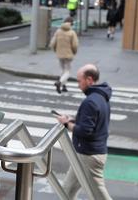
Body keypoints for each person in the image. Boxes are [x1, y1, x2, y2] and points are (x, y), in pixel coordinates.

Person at [56, 64, 113, 200]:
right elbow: (93, 121)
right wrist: (73, 119)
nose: (78, 85)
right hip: (87, 154)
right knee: (67, 191)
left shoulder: (90, 101)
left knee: (99, 195)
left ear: (89, 80)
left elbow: (86, 131)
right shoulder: (101, 97)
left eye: (79, 81)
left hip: (89, 156)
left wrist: (66, 124)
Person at [49, 16, 79, 94]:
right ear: (71, 23)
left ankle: (64, 86)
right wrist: (74, 52)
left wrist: (56, 50)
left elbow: (52, 43)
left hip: (60, 54)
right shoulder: (72, 32)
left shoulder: (58, 31)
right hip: (68, 55)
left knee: (62, 69)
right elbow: (75, 45)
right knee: (67, 71)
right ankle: (60, 82)